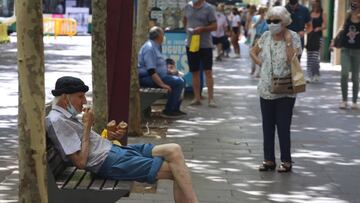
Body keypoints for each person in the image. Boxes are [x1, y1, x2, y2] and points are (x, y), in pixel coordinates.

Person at [46, 76, 199, 203]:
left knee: (174, 149)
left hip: (113, 151)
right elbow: (80, 162)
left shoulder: (64, 116)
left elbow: (86, 144)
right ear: (65, 97)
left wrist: (108, 136)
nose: (85, 101)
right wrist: (87, 126)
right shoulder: (57, 121)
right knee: (178, 170)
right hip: (108, 162)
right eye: (80, 96)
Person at [250, 6, 302, 173]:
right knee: (267, 126)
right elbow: (252, 51)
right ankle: (268, 160)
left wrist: (287, 40)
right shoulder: (265, 36)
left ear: (284, 22)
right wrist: (261, 64)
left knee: (283, 126)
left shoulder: (293, 36)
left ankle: (286, 161)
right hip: (266, 88)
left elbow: (293, 60)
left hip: (285, 88)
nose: (272, 24)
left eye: (276, 21)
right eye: (269, 21)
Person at [138, 26, 186, 118]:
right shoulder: (150, 48)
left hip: (160, 75)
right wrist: (162, 84)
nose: (164, 36)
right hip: (148, 78)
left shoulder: (156, 46)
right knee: (178, 82)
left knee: (182, 79)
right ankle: (169, 110)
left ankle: (175, 108)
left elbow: (158, 65)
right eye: (163, 34)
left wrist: (169, 71)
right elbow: (151, 70)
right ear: (158, 36)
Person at [183, 0, 218, 107]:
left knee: (208, 71)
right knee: (195, 72)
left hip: (205, 45)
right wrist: (187, 30)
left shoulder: (209, 8)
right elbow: (184, 19)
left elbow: (215, 26)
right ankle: (196, 98)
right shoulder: (187, 7)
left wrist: (203, 29)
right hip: (191, 44)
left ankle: (211, 99)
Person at [330, 0, 360, 109]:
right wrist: (333, 40)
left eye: (356, 2)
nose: (354, 3)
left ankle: (355, 101)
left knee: (356, 77)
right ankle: (344, 100)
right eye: (353, 2)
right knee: (344, 74)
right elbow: (342, 27)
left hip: (358, 51)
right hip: (346, 49)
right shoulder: (348, 14)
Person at [305, 0, 327, 83]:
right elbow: (306, 25)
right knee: (309, 57)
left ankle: (315, 74)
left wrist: (319, 28)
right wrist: (307, 29)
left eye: (316, 1)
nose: (314, 2)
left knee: (315, 58)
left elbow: (325, 25)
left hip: (319, 37)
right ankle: (309, 75)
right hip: (310, 37)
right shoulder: (309, 13)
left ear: (318, 3)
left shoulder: (322, 13)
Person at [250, 6, 268, 77]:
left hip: (266, 37)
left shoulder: (268, 19)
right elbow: (253, 26)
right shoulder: (255, 18)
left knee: (261, 55)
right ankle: (254, 69)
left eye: (265, 11)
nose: (264, 13)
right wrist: (259, 20)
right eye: (263, 12)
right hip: (257, 37)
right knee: (255, 53)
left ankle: (259, 71)